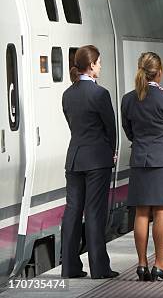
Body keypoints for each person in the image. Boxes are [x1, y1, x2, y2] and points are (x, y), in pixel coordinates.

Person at [121, 52, 163, 281]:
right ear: (159, 72)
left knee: (140, 212)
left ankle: (141, 265)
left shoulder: (128, 99)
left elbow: (128, 130)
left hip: (139, 159)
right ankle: (161, 264)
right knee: (160, 212)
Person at [61, 45, 118, 279]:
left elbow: (72, 125)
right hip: (97, 160)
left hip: (74, 159)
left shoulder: (67, 94)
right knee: (95, 212)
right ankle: (99, 268)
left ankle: (70, 267)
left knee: (72, 212)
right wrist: (111, 151)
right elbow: (110, 128)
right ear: (92, 65)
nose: (101, 66)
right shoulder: (100, 94)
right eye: (100, 62)